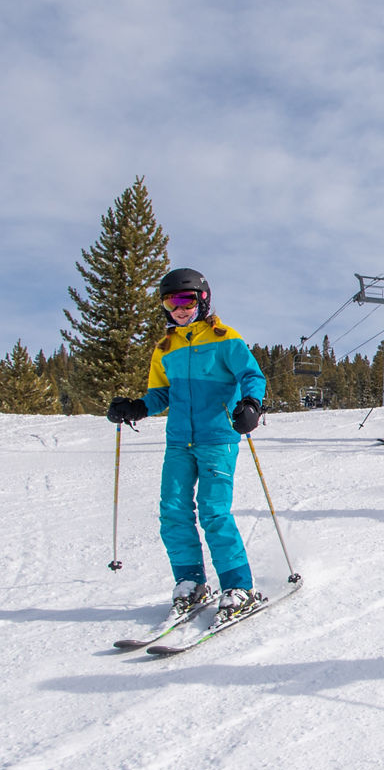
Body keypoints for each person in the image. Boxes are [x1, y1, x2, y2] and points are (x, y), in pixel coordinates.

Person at [106, 268, 267, 628]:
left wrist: (252, 404)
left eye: (186, 299)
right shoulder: (165, 348)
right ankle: (191, 582)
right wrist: (135, 407)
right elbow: (160, 394)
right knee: (173, 511)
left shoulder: (226, 339)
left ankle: (239, 588)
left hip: (217, 438)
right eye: (171, 301)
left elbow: (252, 375)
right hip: (179, 441)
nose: (179, 308)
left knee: (213, 512)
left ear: (203, 300)